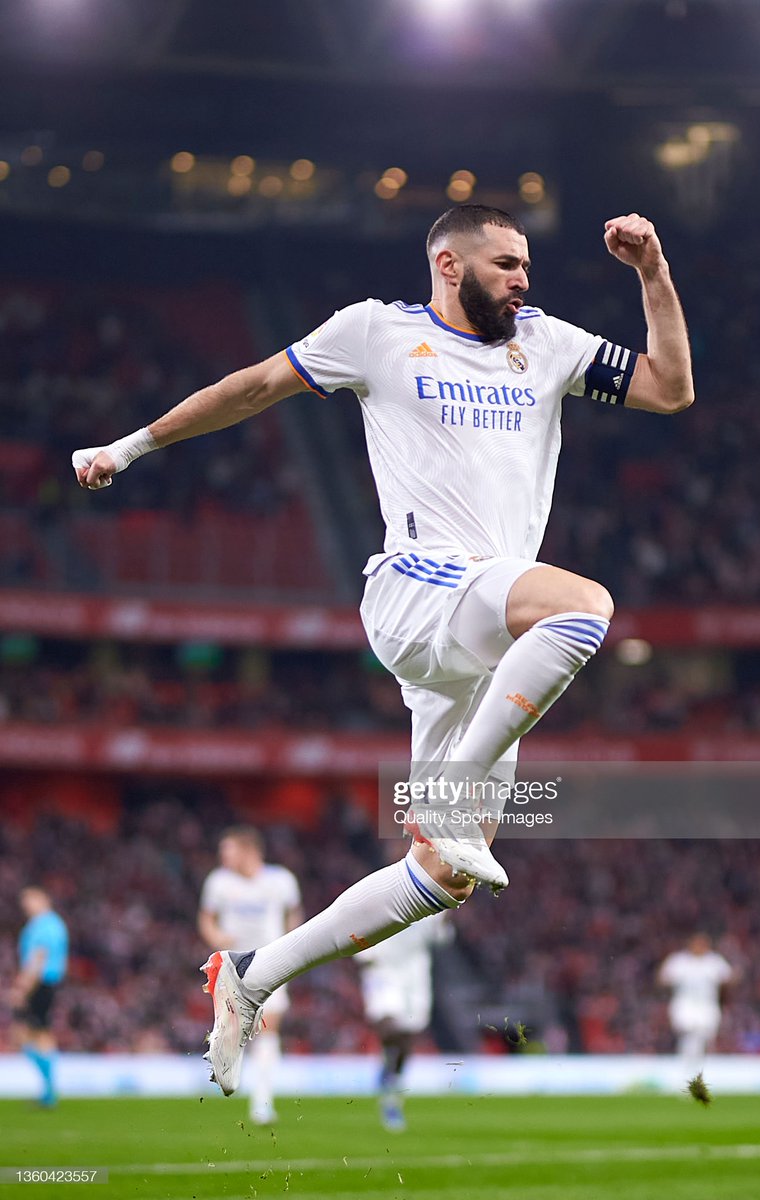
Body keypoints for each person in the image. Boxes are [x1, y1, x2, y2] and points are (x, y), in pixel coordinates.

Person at [72, 204, 694, 1096]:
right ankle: (441, 794)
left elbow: (670, 387)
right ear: (449, 263)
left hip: (483, 643)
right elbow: (252, 386)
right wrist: (129, 447)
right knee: (583, 607)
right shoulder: (373, 334)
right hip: (419, 587)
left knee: (444, 879)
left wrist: (653, 272)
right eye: (507, 263)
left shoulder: (547, 344)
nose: (525, 277)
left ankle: (251, 975)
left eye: (526, 263)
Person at [198, 826, 303, 1123]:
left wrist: (290, 944)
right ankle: (235, 1085)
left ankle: (262, 1100)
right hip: (233, 965)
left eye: (227, 850)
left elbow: (294, 914)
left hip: (272, 961)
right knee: (236, 1030)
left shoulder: (280, 880)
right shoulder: (218, 882)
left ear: (248, 850)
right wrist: (217, 937)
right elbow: (206, 920)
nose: (222, 857)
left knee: (268, 1028)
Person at [358, 906, 451, 1131]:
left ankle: (390, 1085)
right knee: (391, 1027)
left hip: (415, 978)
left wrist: (446, 917)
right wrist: (364, 953)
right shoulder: (382, 896)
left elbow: (440, 937)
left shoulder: (433, 902)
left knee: (407, 1038)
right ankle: (389, 1075)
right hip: (383, 972)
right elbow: (359, 931)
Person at [10, 886, 69, 1107]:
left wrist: (22, 987)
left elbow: (38, 958)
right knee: (33, 1033)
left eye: (31, 900)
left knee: (32, 1033)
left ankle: (49, 1090)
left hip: (40, 983)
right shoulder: (49, 923)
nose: (26, 905)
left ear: (44, 899)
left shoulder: (45, 925)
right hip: (44, 983)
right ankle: (48, 1088)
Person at [658, 932, 734, 1079]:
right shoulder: (679, 961)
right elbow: (662, 978)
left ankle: (692, 1071)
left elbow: (729, 978)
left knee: (704, 1039)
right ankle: (690, 1072)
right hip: (684, 1005)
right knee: (691, 1034)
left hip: (707, 1006)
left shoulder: (714, 961)